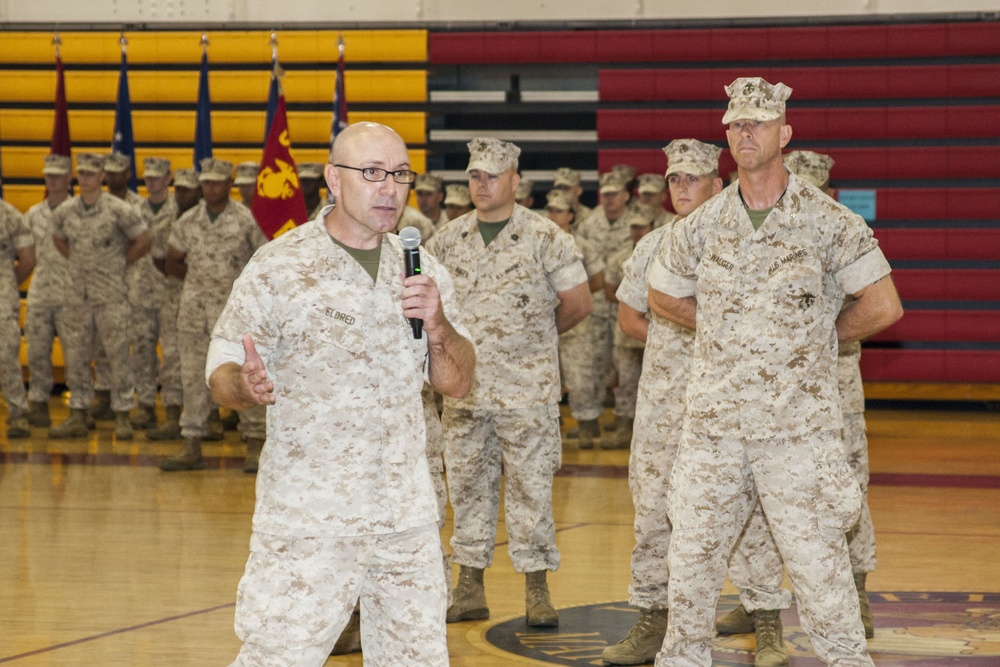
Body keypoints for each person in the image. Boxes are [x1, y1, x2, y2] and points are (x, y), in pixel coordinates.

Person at [647, 77, 903, 667]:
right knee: (690, 568)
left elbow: (884, 305)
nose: (745, 133)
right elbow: (662, 296)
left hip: (797, 434)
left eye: (758, 123)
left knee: (821, 572)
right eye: (736, 124)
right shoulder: (701, 225)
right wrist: (718, 331)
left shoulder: (830, 222)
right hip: (714, 431)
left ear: (784, 134)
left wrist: (811, 342)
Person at [208, 121, 475, 666]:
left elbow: (459, 381)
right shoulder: (280, 268)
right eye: (372, 173)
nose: (389, 189)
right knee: (277, 658)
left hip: (404, 520)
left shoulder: (423, 271)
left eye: (400, 174)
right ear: (333, 178)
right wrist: (246, 386)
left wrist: (441, 325)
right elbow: (220, 370)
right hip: (309, 519)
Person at [426, 137, 592, 627]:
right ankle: (470, 587)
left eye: (492, 176)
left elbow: (578, 304)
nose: (481, 184)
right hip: (465, 394)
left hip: (527, 393)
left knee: (531, 491)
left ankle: (537, 589)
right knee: (468, 489)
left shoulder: (547, 238)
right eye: (475, 176)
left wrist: (529, 343)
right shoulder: (446, 240)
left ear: (516, 182)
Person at [716, 150, 878, 646]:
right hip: (764, 393)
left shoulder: (840, 233)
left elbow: (871, 304)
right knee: (759, 496)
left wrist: (817, 339)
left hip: (831, 387)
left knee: (843, 491)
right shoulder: (757, 235)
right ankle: (757, 598)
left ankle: (857, 590)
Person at [600, 138, 725, 665]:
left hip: (724, 406)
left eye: (692, 178)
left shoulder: (735, 243)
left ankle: (763, 616)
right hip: (660, 405)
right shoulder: (652, 244)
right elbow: (629, 314)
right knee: (653, 512)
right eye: (674, 179)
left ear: (719, 185)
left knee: (733, 516)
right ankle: (654, 619)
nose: (681, 188)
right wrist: (677, 338)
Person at [159, 158, 268, 472]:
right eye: (206, 183)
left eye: (217, 183)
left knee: (243, 374)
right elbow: (173, 259)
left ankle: (254, 443)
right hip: (193, 313)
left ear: (229, 185)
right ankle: (191, 443)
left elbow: (263, 260)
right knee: (192, 378)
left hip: (234, 314)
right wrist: (199, 280)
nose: (210, 188)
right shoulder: (188, 220)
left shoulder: (246, 219)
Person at [49, 152, 150, 440]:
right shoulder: (66, 211)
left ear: (102, 176)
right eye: (81, 173)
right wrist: (76, 262)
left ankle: (122, 415)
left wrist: (120, 262)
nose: (86, 178)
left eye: (91, 174)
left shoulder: (119, 209)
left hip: (111, 295)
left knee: (118, 355)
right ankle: (78, 412)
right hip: (78, 296)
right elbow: (57, 237)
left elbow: (143, 239)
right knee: (77, 354)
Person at [545, 190, 606, 449]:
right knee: (547, 375)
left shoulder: (583, 245)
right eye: (550, 209)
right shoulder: (539, 243)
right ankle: (550, 427)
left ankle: (587, 424)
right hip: (545, 320)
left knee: (580, 374)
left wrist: (574, 295)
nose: (553, 215)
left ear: (571, 215)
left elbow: (600, 280)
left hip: (576, 319)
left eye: (559, 210)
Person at [574, 170, 633, 427]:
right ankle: (592, 418)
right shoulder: (589, 224)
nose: (609, 200)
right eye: (605, 195)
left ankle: (625, 417)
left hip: (625, 305)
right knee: (593, 363)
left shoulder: (637, 222)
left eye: (614, 195)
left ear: (626, 196)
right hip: (597, 305)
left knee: (626, 367)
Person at [146, 167, 201, 442]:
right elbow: (159, 257)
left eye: (188, 189)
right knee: (171, 356)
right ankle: (171, 413)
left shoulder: (201, 219)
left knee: (203, 358)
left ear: (199, 191)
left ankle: (209, 416)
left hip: (205, 301)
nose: (182, 194)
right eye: (178, 189)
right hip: (172, 296)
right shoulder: (166, 220)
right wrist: (185, 275)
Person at [89, 152, 144, 422]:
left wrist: (120, 263)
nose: (113, 176)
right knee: (101, 342)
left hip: (134, 284)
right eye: (108, 172)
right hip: (101, 287)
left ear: (128, 173)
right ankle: (102, 393)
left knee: (127, 344)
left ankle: (132, 400)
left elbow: (144, 242)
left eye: (118, 171)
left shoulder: (138, 206)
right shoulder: (95, 205)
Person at [601, 203, 656, 449]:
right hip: (627, 331)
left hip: (652, 330)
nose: (637, 232)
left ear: (651, 226)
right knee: (626, 381)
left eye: (641, 227)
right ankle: (625, 426)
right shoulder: (620, 257)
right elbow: (609, 289)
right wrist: (633, 300)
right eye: (633, 227)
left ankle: (652, 430)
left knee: (655, 382)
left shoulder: (664, 252)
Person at [128, 157, 177, 430]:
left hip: (169, 291)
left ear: (168, 178)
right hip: (140, 290)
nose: (152, 182)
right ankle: (145, 404)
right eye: (148, 178)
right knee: (143, 350)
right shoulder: (133, 210)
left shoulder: (179, 209)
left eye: (158, 177)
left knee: (171, 352)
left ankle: (172, 407)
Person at [24, 154, 73, 428]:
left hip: (70, 293)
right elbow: (25, 255)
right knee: (37, 350)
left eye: (57, 175)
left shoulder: (77, 211)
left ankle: (79, 407)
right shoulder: (32, 214)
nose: (52, 180)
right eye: (48, 175)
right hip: (41, 291)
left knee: (75, 352)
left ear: (68, 178)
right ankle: (39, 403)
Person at [0, 192, 35, 438]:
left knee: (5, 356)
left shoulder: (10, 216)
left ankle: (18, 412)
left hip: (1, 298)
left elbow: (28, 260)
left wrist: (8, 286)